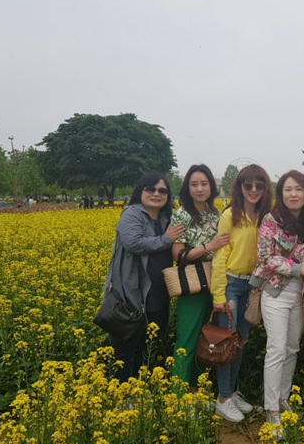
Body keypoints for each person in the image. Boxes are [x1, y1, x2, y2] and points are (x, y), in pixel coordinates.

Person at [250, 170, 304, 437]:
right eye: (288, 189)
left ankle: (283, 399)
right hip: (275, 293)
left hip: (301, 295)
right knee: (276, 350)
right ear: (280, 194)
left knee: (292, 349)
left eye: (299, 189)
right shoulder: (272, 220)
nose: (293, 194)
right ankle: (271, 411)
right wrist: (297, 268)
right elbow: (265, 257)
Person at [102, 172, 184, 382]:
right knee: (124, 352)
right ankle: (121, 392)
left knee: (146, 348)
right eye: (151, 189)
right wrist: (166, 239)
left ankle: (139, 391)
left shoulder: (166, 218)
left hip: (157, 295)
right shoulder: (131, 214)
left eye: (162, 190)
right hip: (130, 296)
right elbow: (133, 243)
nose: (157, 194)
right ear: (141, 191)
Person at [211, 164, 273, 422]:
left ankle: (231, 391)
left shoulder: (266, 216)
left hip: (253, 286)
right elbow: (220, 255)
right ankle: (223, 399)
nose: (254, 189)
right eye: (248, 185)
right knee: (227, 341)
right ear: (240, 187)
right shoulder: (230, 215)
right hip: (231, 284)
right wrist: (218, 295)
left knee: (240, 342)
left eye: (259, 185)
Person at [170, 165, 230, 393]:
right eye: (194, 184)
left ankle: (195, 390)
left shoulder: (216, 214)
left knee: (207, 340)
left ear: (211, 187)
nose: (199, 189)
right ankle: (177, 394)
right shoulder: (181, 215)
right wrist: (209, 246)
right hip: (193, 285)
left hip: (215, 284)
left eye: (204, 184)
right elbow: (178, 254)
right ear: (187, 188)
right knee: (187, 339)